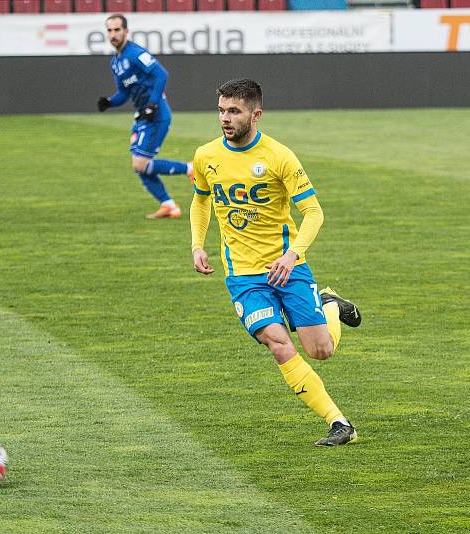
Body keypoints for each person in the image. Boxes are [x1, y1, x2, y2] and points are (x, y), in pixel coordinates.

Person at [190, 79, 361, 447]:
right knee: (279, 343)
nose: (225, 118)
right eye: (221, 110)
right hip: (243, 276)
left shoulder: (279, 156)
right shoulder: (206, 156)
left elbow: (313, 213)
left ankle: (330, 305)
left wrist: (292, 253)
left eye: (234, 111)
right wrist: (196, 244)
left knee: (321, 350)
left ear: (256, 114)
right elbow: (201, 200)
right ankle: (339, 423)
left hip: (288, 266)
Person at [97, 14, 189, 220]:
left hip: (156, 114)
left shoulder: (135, 53)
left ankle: (190, 168)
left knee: (140, 164)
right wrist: (110, 102)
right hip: (142, 116)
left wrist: (153, 103)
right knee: (138, 165)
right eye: (109, 30)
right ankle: (168, 205)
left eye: (117, 30)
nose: (113, 34)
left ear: (126, 32)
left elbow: (161, 74)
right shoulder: (116, 62)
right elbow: (124, 93)